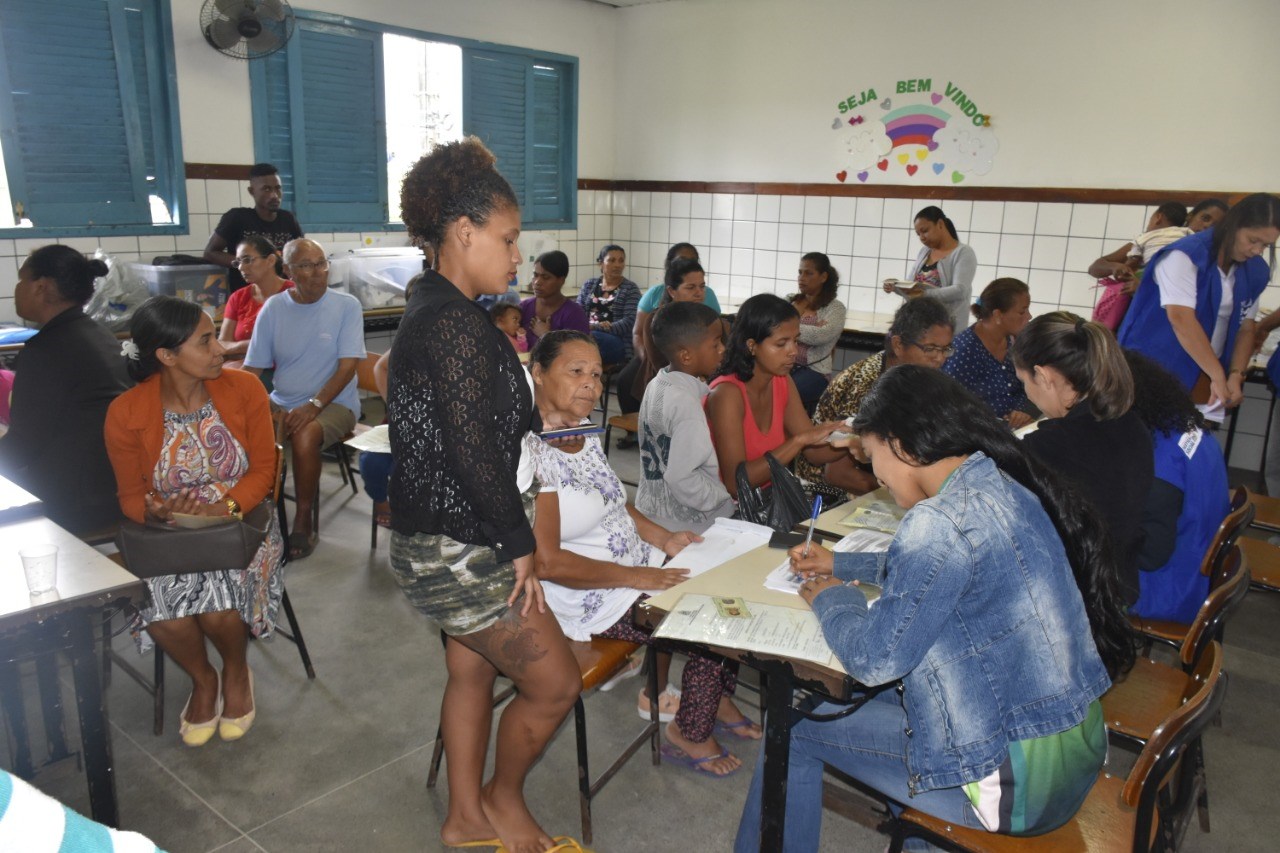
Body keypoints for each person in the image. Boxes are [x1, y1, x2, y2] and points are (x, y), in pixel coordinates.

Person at [735, 366, 1133, 851]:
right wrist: (843, 561)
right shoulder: (997, 482)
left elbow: (876, 660)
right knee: (859, 702)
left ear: (901, 444)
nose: (871, 472)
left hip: (1016, 786)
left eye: (872, 455)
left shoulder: (937, 523)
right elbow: (945, 566)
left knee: (793, 727)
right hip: (1072, 748)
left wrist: (832, 595)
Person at [387, 137, 581, 853]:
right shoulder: (455, 323)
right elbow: (469, 451)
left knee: (469, 669)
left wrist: (538, 416)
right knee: (555, 684)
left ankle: (464, 818)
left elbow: (468, 419)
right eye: (506, 239)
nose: (514, 255)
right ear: (462, 233)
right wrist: (521, 543)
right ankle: (501, 800)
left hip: (442, 530)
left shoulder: (438, 308)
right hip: (459, 545)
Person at [525, 330, 759, 777]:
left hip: (636, 568)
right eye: (576, 372)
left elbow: (614, 502)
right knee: (707, 622)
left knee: (729, 587)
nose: (591, 385)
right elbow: (547, 563)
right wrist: (639, 579)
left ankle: (714, 698)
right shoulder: (530, 453)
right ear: (537, 372)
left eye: (596, 374)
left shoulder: (582, 431)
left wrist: (664, 539)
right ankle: (687, 732)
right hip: (589, 595)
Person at [104, 296, 284, 747]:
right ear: (166, 356)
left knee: (219, 604)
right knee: (157, 607)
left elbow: (264, 471)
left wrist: (223, 507)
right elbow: (129, 495)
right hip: (167, 534)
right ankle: (204, 679)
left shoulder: (244, 390)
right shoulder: (126, 413)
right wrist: (153, 510)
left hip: (241, 524)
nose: (220, 349)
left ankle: (237, 672)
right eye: (206, 341)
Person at [1014, 312, 1153, 603]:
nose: (1026, 392)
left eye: (1024, 381)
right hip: (1117, 588)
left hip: (1075, 603)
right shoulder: (1131, 424)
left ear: (1043, 376)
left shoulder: (1050, 447)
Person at [242, 238, 366, 560]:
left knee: (305, 432)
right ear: (288, 271)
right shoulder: (274, 308)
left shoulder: (346, 306)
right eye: (306, 266)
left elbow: (347, 368)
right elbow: (252, 367)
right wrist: (242, 402)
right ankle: (252, 514)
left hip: (335, 403)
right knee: (242, 431)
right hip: (282, 401)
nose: (317, 273)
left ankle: (304, 519)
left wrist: (313, 406)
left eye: (321, 263)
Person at [0, 245, 132, 532]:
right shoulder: (99, 334)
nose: (18, 289)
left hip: (74, 501)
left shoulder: (47, 350)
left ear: (41, 287)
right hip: (112, 485)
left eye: (22, 280)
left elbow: (23, 445)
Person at [1118, 193, 1280, 424]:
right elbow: (1181, 319)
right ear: (1233, 225)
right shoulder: (1184, 255)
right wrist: (1217, 376)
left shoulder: (1255, 270)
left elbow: (1246, 327)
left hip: (1205, 373)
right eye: (1253, 240)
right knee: (1145, 439)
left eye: (1266, 245)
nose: (1257, 250)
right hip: (1152, 366)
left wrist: (1236, 375)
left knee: (1189, 446)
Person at [796, 297, 954, 496]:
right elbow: (837, 475)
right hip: (825, 495)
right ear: (898, 344)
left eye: (945, 349)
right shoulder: (867, 386)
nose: (939, 358)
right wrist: (912, 493)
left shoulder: (918, 377)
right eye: (930, 349)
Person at [1126, 351, 1230, 624]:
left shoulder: (1161, 459)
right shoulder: (1188, 429)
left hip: (1165, 593)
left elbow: (1150, 555)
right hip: (1196, 575)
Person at [707, 294, 842, 498]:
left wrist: (857, 438)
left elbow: (814, 453)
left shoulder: (781, 381)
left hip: (765, 502)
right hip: (723, 509)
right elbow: (736, 484)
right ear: (752, 346)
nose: (793, 352)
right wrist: (797, 442)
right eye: (781, 344)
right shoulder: (726, 394)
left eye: (795, 341)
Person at [637, 301, 734, 531]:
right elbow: (682, 478)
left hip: (652, 513)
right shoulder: (687, 405)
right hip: (691, 526)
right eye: (715, 344)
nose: (722, 349)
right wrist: (723, 500)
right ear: (686, 356)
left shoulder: (657, 384)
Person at [615, 256, 726, 448]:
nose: (699, 293)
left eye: (702, 286)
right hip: (668, 389)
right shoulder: (656, 320)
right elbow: (662, 364)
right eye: (691, 288)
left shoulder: (710, 320)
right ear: (672, 291)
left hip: (704, 385)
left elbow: (722, 357)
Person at [943, 278, 1035, 426]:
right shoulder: (962, 352)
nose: (1029, 317)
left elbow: (1032, 383)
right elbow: (950, 410)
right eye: (1022, 311)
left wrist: (1025, 410)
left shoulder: (1016, 342)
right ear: (998, 315)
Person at [203, 163, 304, 293]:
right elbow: (210, 253)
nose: (274, 195)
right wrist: (248, 263)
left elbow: (301, 253)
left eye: (278, 188)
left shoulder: (288, 219)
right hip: (247, 297)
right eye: (266, 189)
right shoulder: (237, 218)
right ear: (252, 191)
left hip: (282, 294)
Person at [883, 205, 976, 333]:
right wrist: (896, 287)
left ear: (940, 224)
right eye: (918, 234)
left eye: (925, 230)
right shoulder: (924, 252)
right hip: (919, 328)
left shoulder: (963, 252)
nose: (922, 237)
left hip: (946, 331)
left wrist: (925, 295)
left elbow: (960, 290)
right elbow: (912, 287)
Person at [216, 235, 294, 367]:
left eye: (247, 260)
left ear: (270, 260)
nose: (241, 267)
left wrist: (236, 348)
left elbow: (285, 344)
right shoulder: (238, 297)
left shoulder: (293, 294)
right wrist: (254, 347)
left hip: (283, 369)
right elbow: (222, 345)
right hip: (243, 366)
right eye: (238, 262)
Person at [790, 252, 848, 413]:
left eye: (809, 273)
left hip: (814, 371)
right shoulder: (791, 301)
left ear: (823, 277)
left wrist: (789, 327)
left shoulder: (835, 308)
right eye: (800, 272)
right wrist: (809, 328)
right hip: (785, 364)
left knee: (784, 394)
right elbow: (773, 326)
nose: (802, 278)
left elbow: (820, 336)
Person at [576, 243, 641, 366]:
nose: (617, 265)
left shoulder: (630, 289)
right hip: (587, 334)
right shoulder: (589, 284)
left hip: (616, 340)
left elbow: (630, 322)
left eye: (621, 261)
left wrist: (596, 327)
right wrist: (585, 327)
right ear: (600, 263)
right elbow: (577, 312)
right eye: (611, 260)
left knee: (590, 339)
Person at [520, 250, 589, 350]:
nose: (537, 282)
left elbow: (579, 352)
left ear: (561, 280)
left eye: (546, 277)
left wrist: (546, 335)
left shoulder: (574, 314)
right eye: (535, 275)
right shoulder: (523, 307)